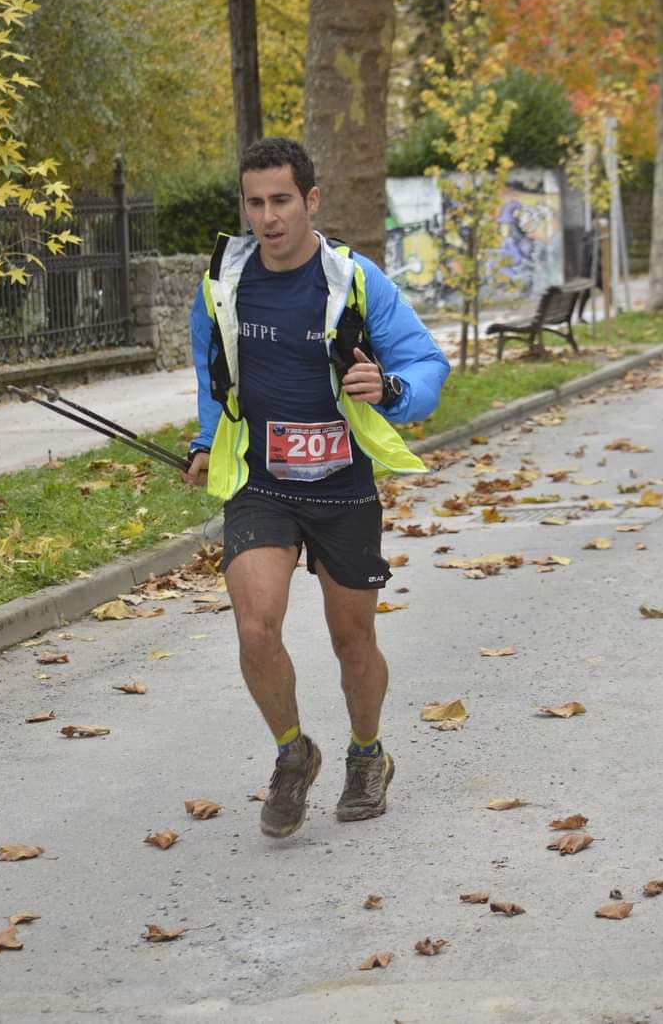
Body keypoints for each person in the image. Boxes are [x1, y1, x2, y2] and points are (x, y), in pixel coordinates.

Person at [184, 137, 450, 839]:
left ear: (311, 200)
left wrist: (390, 387)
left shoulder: (355, 281)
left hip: (341, 482)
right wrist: (207, 439)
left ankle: (367, 752)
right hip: (261, 481)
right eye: (254, 202)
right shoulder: (223, 281)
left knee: (351, 640)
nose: (268, 217)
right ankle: (293, 751)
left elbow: (427, 363)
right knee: (253, 624)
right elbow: (214, 372)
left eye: (281, 201)